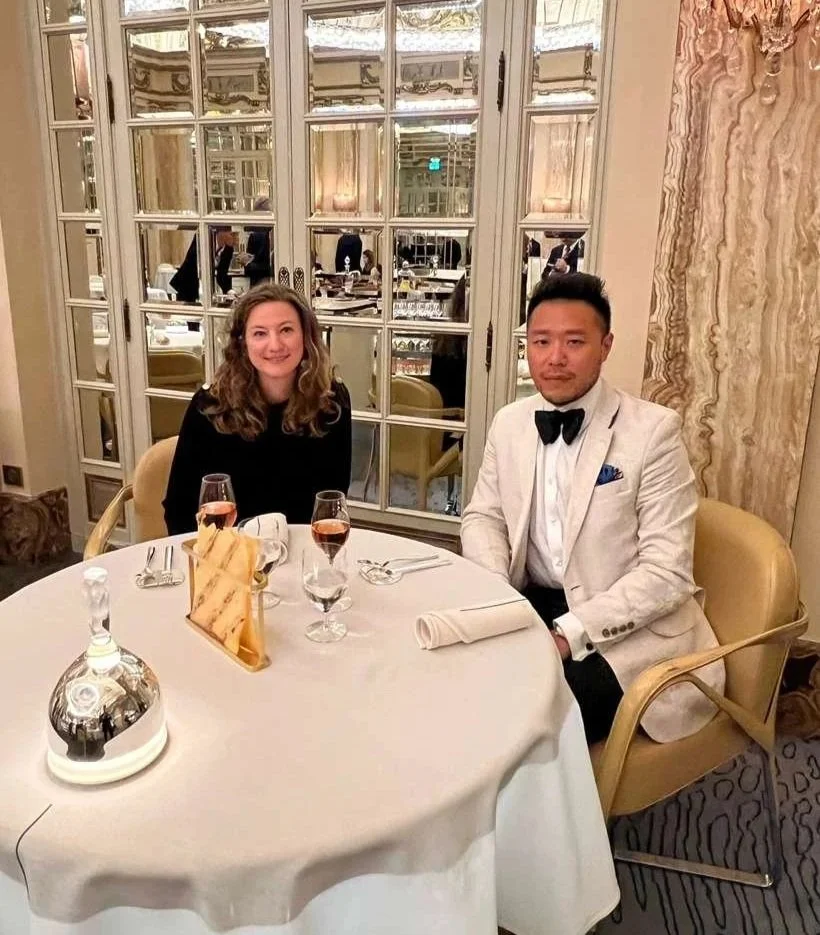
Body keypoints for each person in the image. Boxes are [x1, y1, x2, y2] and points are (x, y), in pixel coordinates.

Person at [461, 273, 725, 745]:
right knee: (453, 680)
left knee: (531, 720)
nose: (555, 357)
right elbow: (484, 517)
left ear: (605, 346)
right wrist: (498, 594)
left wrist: (566, 635)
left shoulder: (653, 432)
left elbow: (667, 572)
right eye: (541, 341)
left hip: (625, 628)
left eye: (574, 342)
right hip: (531, 600)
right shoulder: (509, 423)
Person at [163, 283, 352, 534]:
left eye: (286, 330)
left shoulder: (331, 402)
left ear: (306, 337)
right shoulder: (210, 407)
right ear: (242, 342)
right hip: (226, 549)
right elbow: (179, 509)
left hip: (303, 548)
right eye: (260, 333)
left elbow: (331, 504)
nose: (275, 345)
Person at [213, 228, 235, 296]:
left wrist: (229, 290)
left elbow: (222, 272)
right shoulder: (205, 238)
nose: (234, 239)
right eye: (231, 234)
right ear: (222, 233)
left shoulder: (229, 249)